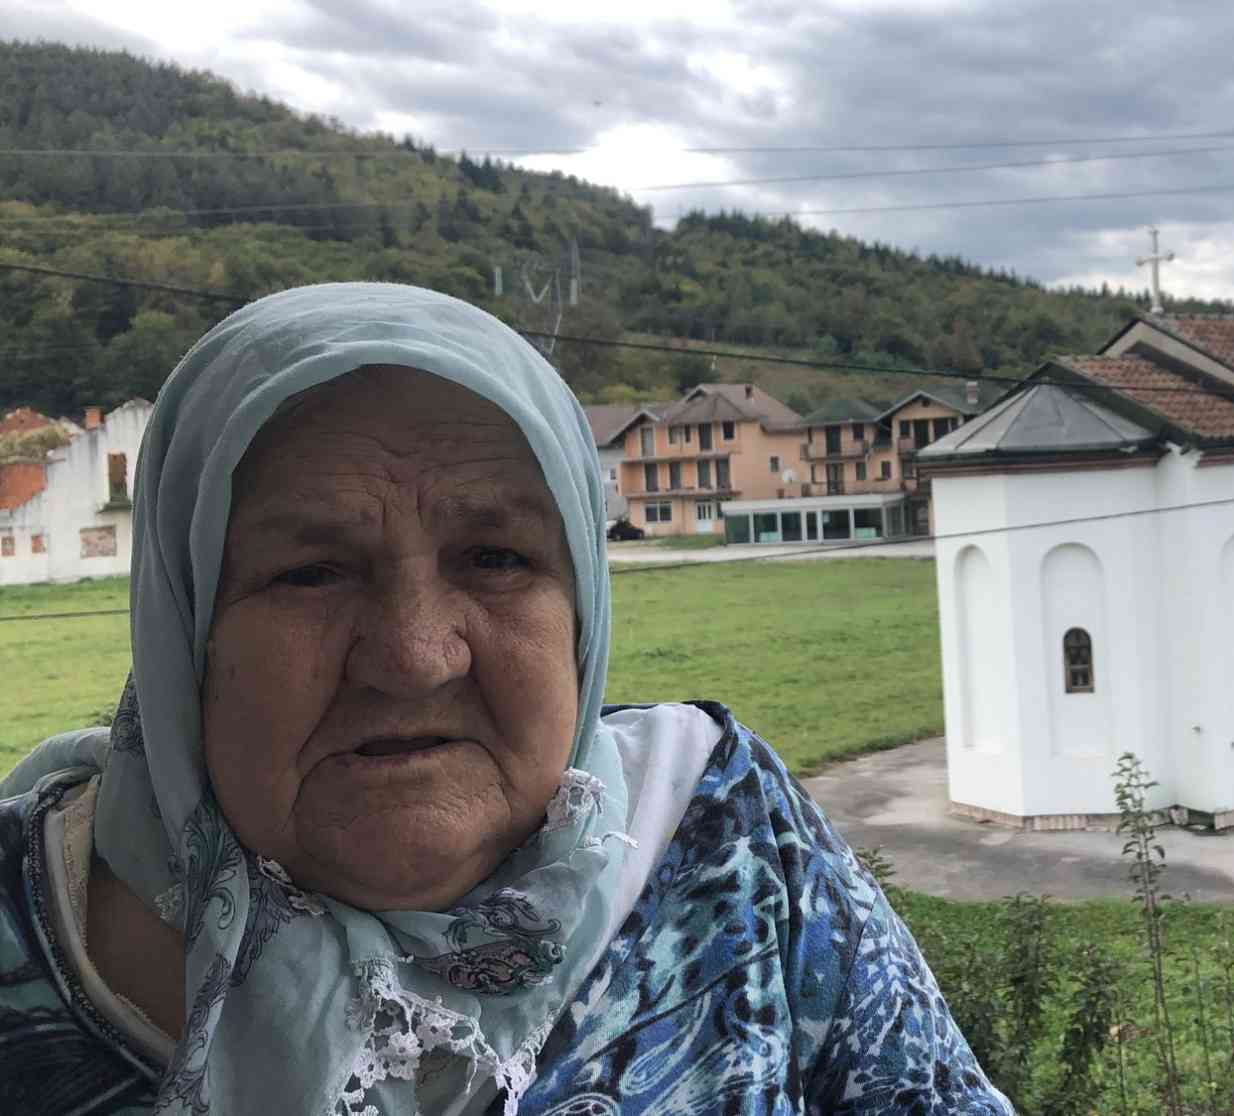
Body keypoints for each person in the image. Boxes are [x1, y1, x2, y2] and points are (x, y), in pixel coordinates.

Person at [0, 283, 1011, 1116]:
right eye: (310, 572)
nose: (413, 654)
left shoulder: (722, 831)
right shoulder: (31, 921)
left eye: (495, 557)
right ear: (187, 630)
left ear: (582, 612)